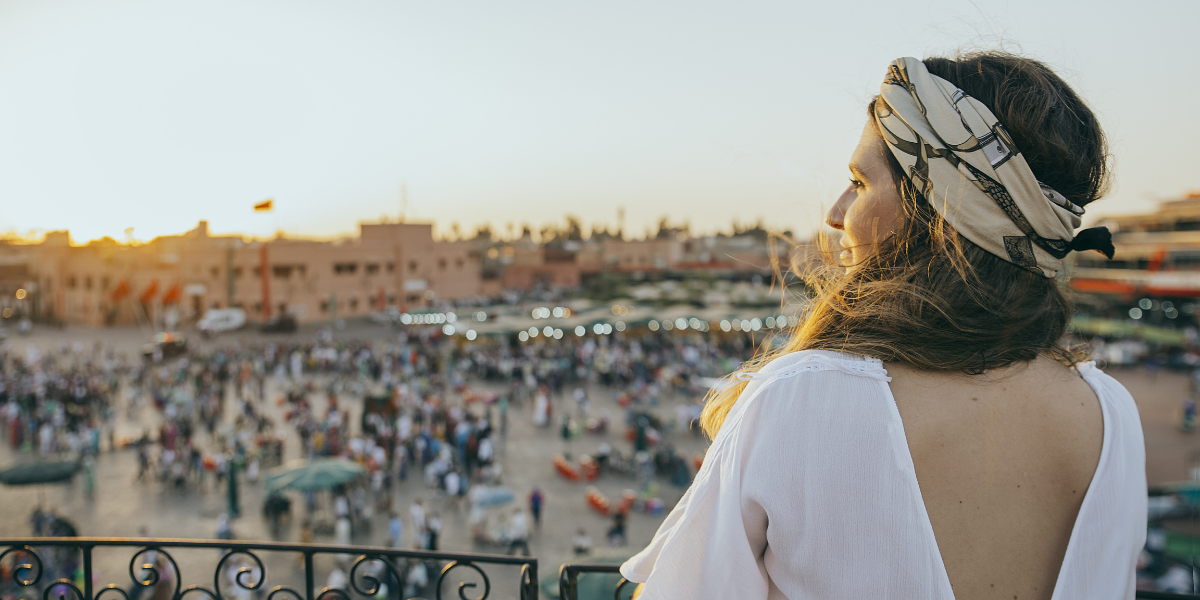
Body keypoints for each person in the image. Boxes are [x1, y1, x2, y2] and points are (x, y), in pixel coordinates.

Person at [622, 53, 1146, 600]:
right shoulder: (1112, 415)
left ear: (943, 212)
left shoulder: (805, 398)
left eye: (859, 181)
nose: (835, 211)